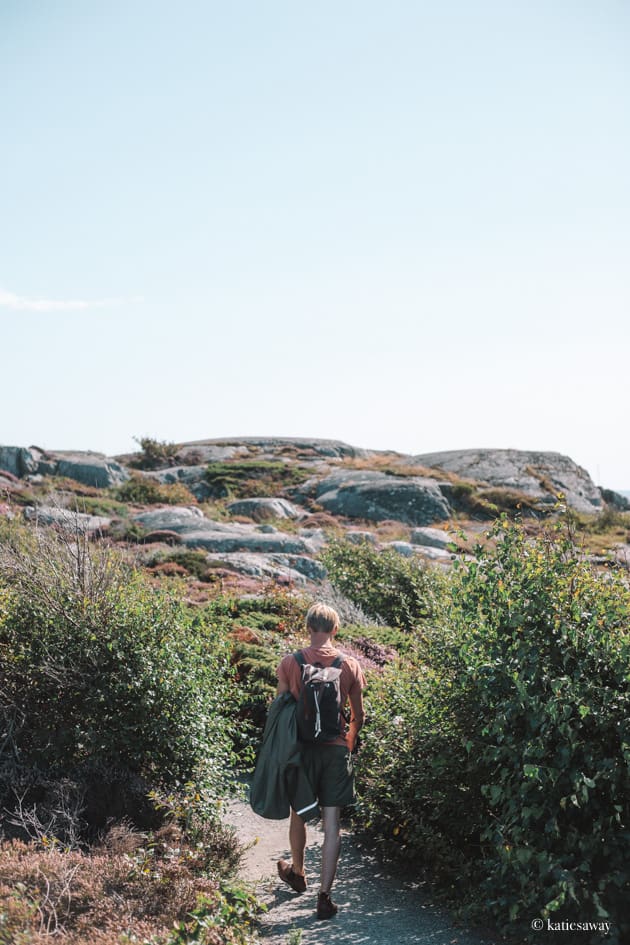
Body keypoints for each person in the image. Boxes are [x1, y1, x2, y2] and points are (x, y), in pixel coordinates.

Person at [275, 602, 366, 920]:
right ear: (335, 629)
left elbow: (283, 711)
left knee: (298, 813)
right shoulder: (350, 665)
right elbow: (359, 715)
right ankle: (325, 896)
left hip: (303, 752)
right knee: (332, 825)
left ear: (308, 628)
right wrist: (348, 742)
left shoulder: (290, 662)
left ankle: (298, 872)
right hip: (336, 749)